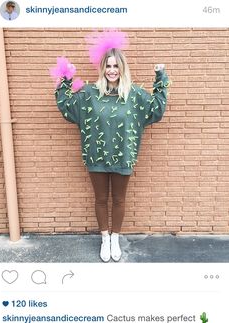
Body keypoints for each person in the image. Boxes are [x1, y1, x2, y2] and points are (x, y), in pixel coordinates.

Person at [51, 30, 170, 262]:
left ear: (122, 67)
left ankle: (116, 237)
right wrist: (65, 78)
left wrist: (160, 77)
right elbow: (67, 107)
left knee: (119, 199)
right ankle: (105, 238)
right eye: (108, 65)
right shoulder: (89, 93)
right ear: (103, 68)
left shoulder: (134, 94)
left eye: (116, 66)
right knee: (100, 199)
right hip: (95, 155)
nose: (112, 70)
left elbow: (156, 109)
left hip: (123, 156)